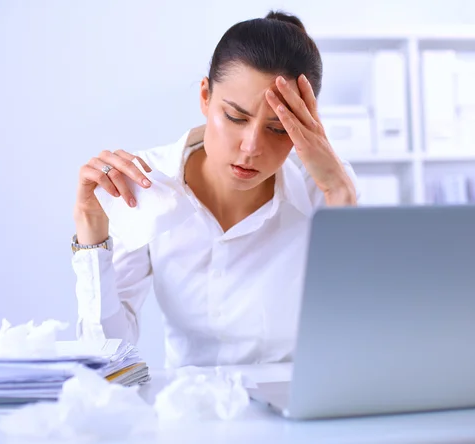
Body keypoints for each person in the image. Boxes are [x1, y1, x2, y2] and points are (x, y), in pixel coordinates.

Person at [71, 11, 360, 368]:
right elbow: (105, 354)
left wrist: (341, 193)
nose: (251, 146)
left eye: (278, 129)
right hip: (190, 410)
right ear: (206, 96)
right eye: (236, 117)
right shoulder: (146, 182)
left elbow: (350, 339)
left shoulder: (323, 188)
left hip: (293, 406)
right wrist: (91, 231)